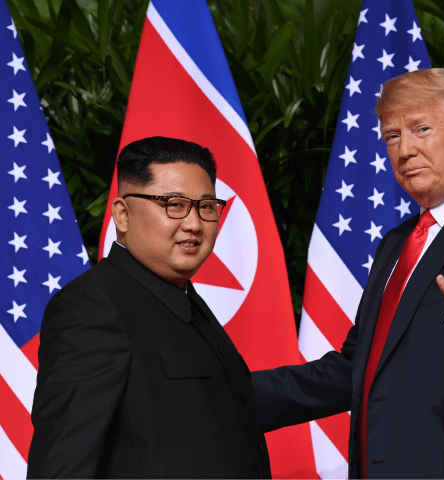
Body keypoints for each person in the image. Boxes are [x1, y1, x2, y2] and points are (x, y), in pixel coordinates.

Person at [252, 68, 444, 480]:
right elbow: (359, 368)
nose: (404, 150)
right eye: (393, 136)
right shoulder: (397, 242)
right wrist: (228, 394)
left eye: (421, 129)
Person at [27, 137, 271, 479]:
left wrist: (358, 372)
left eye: (206, 206)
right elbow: (62, 468)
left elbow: (224, 399)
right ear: (123, 215)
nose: (194, 223)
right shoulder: (92, 306)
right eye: (173, 204)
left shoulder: (183, 297)